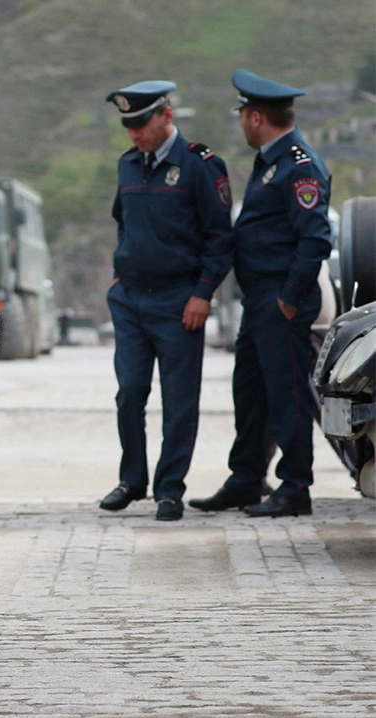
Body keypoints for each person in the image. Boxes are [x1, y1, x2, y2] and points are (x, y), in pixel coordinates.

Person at [189, 70, 331, 518]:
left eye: (242, 117)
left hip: (281, 300)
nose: (240, 125)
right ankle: (247, 478)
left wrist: (290, 298)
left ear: (255, 117)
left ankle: (295, 487)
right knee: (249, 390)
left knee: (286, 394)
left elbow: (315, 240)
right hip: (260, 299)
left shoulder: (298, 164)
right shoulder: (272, 160)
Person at [98, 80, 234, 522]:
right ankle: (132, 479)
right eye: (128, 126)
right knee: (130, 393)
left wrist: (203, 293)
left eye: (141, 124)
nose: (135, 134)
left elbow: (220, 238)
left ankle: (169, 489)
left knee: (178, 402)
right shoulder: (128, 164)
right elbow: (125, 222)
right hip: (131, 300)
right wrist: (123, 271)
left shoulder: (200, 165)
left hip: (180, 302)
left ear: (167, 116)